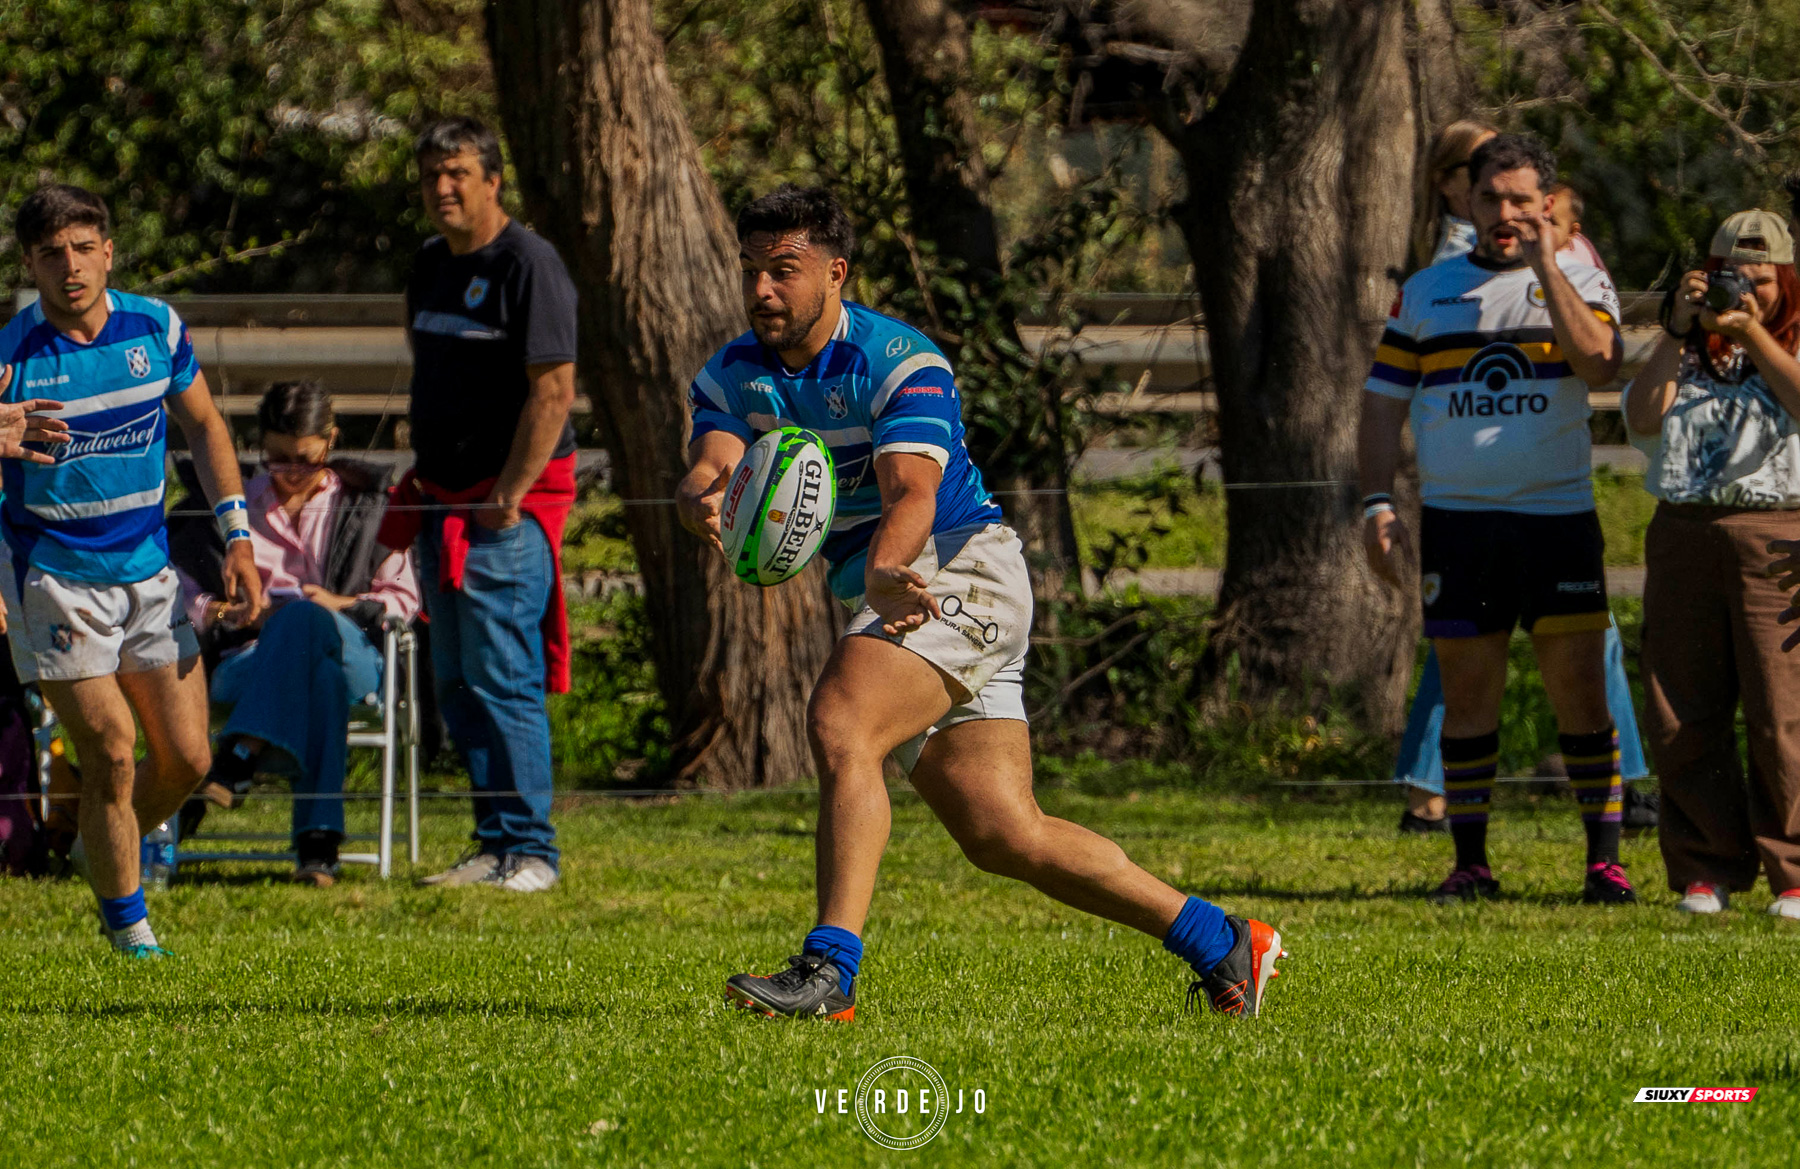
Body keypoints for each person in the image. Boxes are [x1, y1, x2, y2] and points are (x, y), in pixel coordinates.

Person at [677, 185, 1285, 1020]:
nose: (762, 291)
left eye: (784, 270)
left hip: (959, 570)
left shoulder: (898, 360)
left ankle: (830, 972)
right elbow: (715, 456)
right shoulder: (732, 371)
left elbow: (912, 491)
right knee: (1006, 833)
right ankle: (1225, 943)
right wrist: (702, 493)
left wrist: (888, 568)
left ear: (836, 272)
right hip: (892, 591)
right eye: (752, 271)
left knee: (842, 723)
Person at [1359, 135, 1635, 905]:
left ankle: (1604, 864)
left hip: (1558, 518)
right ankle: (1471, 863)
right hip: (1460, 522)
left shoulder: (1581, 276)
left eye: (1521, 200)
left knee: (1582, 692)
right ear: (1468, 201)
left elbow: (1602, 365)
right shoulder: (1427, 290)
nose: (1505, 215)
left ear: (1547, 203)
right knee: (1468, 691)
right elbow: (1381, 404)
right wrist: (1377, 502)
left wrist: (1549, 269)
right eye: (1492, 199)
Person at [0, 183, 265, 955]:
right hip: (52, 576)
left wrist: (238, 536)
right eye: (51, 254)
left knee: (186, 759)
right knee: (112, 749)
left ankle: (97, 840)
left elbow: (206, 425)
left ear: (109, 251)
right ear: (30, 264)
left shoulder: (158, 326)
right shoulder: (11, 355)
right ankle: (131, 932)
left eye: (84, 248)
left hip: (149, 576)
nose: (70, 266)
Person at [377, 117, 578, 893]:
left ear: (493, 179)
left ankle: (534, 850)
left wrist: (510, 492)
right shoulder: (429, 262)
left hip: (503, 515)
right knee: (456, 681)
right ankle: (494, 842)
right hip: (440, 503)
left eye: (457, 172)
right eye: (431, 174)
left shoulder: (530, 265)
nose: (442, 188)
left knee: (504, 677)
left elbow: (553, 391)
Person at [170, 382, 420, 886]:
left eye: (305, 459)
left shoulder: (369, 504)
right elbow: (177, 595)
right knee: (317, 675)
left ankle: (241, 752)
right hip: (247, 660)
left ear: (331, 440)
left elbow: (404, 599)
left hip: (355, 651)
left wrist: (341, 605)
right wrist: (225, 612)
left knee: (308, 618)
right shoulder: (228, 506)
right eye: (277, 458)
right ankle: (317, 847)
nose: (290, 473)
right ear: (259, 444)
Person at [1626, 210, 1800, 920]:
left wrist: (1750, 332)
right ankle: (1705, 867)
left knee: (1781, 708)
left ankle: (1793, 870)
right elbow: (1640, 416)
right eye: (1732, 277)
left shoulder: (1784, 337)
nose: (1744, 291)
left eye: (1760, 281)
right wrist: (1677, 328)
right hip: (1684, 528)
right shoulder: (1687, 343)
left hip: (1779, 530)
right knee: (1681, 706)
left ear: (1785, 280)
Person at [1427, 120, 1498, 265]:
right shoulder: (1455, 259)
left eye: (1505, 160)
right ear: (1445, 183)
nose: (1499, 172)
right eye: (1482, 162)